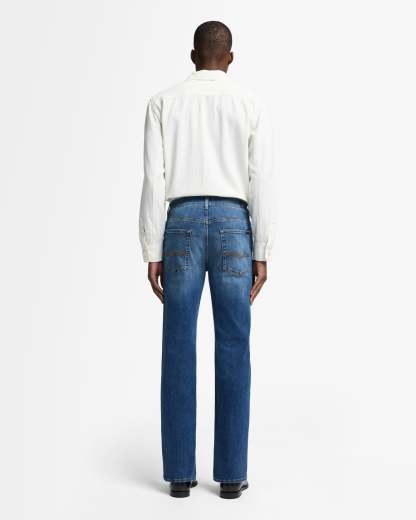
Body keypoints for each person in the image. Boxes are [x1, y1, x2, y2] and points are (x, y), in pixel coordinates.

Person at [139, 20, 276, 499]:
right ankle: (232, 476)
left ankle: (180, 475)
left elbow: (154, 180)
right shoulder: (249, 103)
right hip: (235, 225)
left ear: (193, 56)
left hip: (179, 225)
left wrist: (151, 248)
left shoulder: (163, 102)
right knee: (234, 344)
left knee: (178, 344)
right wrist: (263, 250)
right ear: (230, 58)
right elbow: (262, 180)